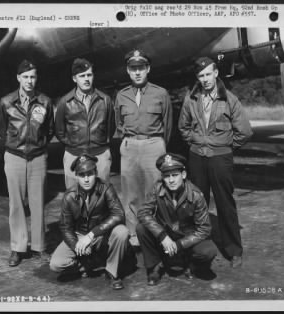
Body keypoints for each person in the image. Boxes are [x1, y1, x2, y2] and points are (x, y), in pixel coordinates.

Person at [178, 57, 253, 268]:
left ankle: (233, 251)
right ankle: (198, 247)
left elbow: (245, 132)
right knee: (195, 203)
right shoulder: (191, 99)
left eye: (208, 74)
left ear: (216, 73)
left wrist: (226, 147)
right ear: (197, 78)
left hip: (221, 158)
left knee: (225, 203)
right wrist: (195, 143)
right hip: (196, 158)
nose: (205, 79)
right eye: (201, 76)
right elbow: (183, 127)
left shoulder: (229, 99)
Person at [0, 59, 55, 267]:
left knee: (38, 201)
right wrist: (17, 146)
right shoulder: (6, 102)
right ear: (18, 78)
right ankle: (18, 247)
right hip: (14, 157)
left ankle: (39, 246)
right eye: (26, 77)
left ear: (36, 78)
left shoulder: (45, 102)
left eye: (33, 77)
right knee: (16, 204)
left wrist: (38, 146)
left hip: (38, 157)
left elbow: (49, 131)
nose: (29, 81)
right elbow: (3, 130)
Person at [114, 49, 173, 246]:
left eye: (141, 68)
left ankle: (157, 234)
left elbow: (168, 124)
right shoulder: (121, 95)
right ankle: (133, 236)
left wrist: (159, 144)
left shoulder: (161, 93)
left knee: (156, 192)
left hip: (153, 144)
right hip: (130, 145)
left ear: (148, 69)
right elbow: (118, 123)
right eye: (133, 68)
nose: (137, 72)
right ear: (128, 71)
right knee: (131, 194)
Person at [49, 154, 130, 290]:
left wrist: (92, 234)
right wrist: (77, 246)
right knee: (56, 264)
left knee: (122, 232)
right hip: (79, 235)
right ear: (76, 176)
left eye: (90, 174)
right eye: (82, 175)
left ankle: (112, 272)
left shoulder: (106, 188)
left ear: (96, 173)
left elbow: (119, 214)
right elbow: (65, 227)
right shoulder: (69, 195)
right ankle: (88, 265)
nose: (86, 179)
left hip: (101, 234)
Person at [136, 153, 217, 285]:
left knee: (208, 251)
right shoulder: (157, 189)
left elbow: (204, 229)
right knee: (141, 228)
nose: (171, 180)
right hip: (165, 233)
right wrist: (162, 236)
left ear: (183, 175)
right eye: (167, 176)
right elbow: (143, 213)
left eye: (175, 175)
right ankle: (155, 267)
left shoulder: (196, 195)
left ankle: (191, 264)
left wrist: (180, 245)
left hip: (187, 236)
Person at [55, 58, 115, 189]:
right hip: (74, 154)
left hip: (100, 154)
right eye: (82, 76)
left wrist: (99, 143)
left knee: (101, 195)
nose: (86, 79)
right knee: (73, 195)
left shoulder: (105, 100)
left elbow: (111, 127)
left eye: (89, 75)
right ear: (74, 79)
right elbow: (59, 130)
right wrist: (74, 145)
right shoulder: (65, 101)